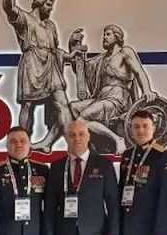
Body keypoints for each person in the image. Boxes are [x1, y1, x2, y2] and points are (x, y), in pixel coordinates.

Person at [1, 0, 74, 152]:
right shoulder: (25, 19)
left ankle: (71, 142)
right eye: (48, 4)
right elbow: (9, 9)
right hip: (32, 64)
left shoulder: (50, 26)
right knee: (28, 105)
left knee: (63, 104)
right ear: (39, 3)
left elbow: (56, 50)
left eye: (52, 5)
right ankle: (23, 143)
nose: (50, 9)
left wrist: (70, 56)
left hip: (51, 66)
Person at [68, 24, 159, 153]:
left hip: (117, 99)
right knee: (72, 108)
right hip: (101, 97)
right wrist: (72, 45)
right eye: (104, 35)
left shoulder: (125, 52)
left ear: (117, 37)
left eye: (108, 34)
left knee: (83, 118)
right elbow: (80, 69)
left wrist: (147, 90)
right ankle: (100, 140)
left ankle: (117, 139)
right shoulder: (101, 59)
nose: (104, 37)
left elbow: (139, 72)